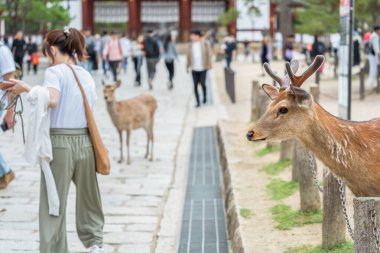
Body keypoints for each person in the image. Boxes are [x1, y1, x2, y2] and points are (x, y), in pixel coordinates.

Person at [5, 27, 105, 253]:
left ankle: (54, 250)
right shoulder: (85, 74)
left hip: (60, 143)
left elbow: (52, 100)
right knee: (90, 200)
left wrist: (26, 88)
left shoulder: (54, 72)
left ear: (51, 49)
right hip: (85, 143)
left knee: (53, 204)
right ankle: (95, 244)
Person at [0, 40, 16, 189]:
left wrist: (10, 111)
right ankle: (5, 172)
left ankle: (5, 172)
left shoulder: (3, 51)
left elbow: (11, 83)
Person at [186, 30, 212, 108]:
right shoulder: (190, 45)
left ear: (197, 36)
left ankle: (204, 96)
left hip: (203, 67)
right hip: (194, 68)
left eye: (192, 35)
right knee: (195, 85)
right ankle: (197, 101)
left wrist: (209, 64)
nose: (191, 37)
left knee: (203, 83)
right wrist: (187, 66)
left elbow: (209, 55)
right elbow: (188, 56)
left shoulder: (205, 43)